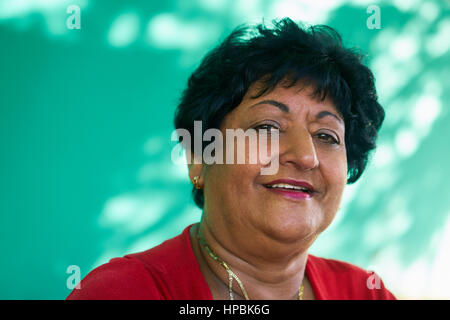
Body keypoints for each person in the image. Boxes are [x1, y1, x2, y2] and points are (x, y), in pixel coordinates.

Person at [67, 18, 395, 300]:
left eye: (326, 136)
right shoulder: (124, 291)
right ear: (198, 159)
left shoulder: (367, 292)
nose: (306, 156)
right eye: (268, 126)